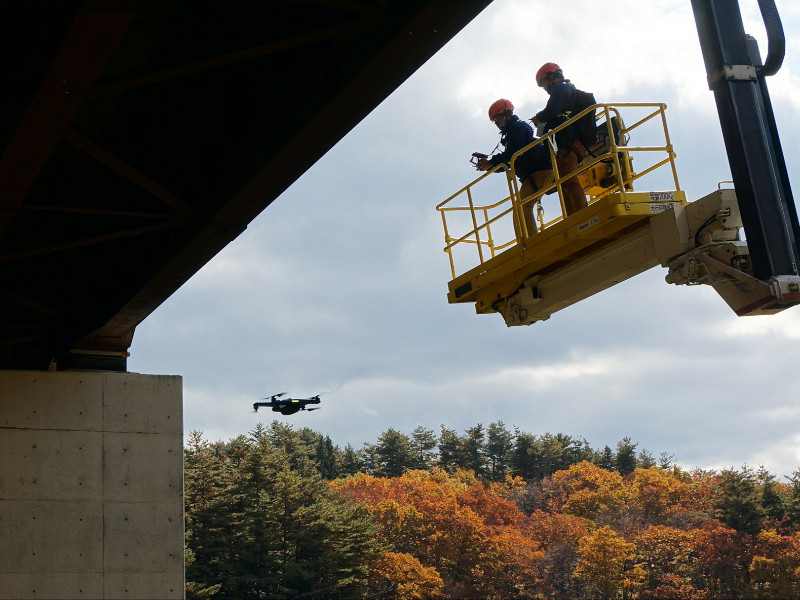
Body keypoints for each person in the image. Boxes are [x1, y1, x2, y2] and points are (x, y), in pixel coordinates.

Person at [476, 98, 550, 236]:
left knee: (522, 208)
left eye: (497, 119)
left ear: (507, 114)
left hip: (539, 172)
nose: (496, 123)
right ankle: (527, 241)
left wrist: (491, 162)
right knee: (521, 209)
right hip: (533, 174)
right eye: (494, 121)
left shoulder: (518, 128)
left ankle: (531, 242)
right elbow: (509, 162)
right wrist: (489, 166)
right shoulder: (513, 131)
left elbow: (513, 153)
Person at [531, 62, 588, 216]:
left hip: (568, 145)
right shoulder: (567, 90)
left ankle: (581, 215)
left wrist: (539, 117)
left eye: (544, 83)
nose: (545, 88)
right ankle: (573, 216)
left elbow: (553, 108)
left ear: (552, 77)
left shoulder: (561, 88)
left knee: (570, 182)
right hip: (567, 144)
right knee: (565, 183)